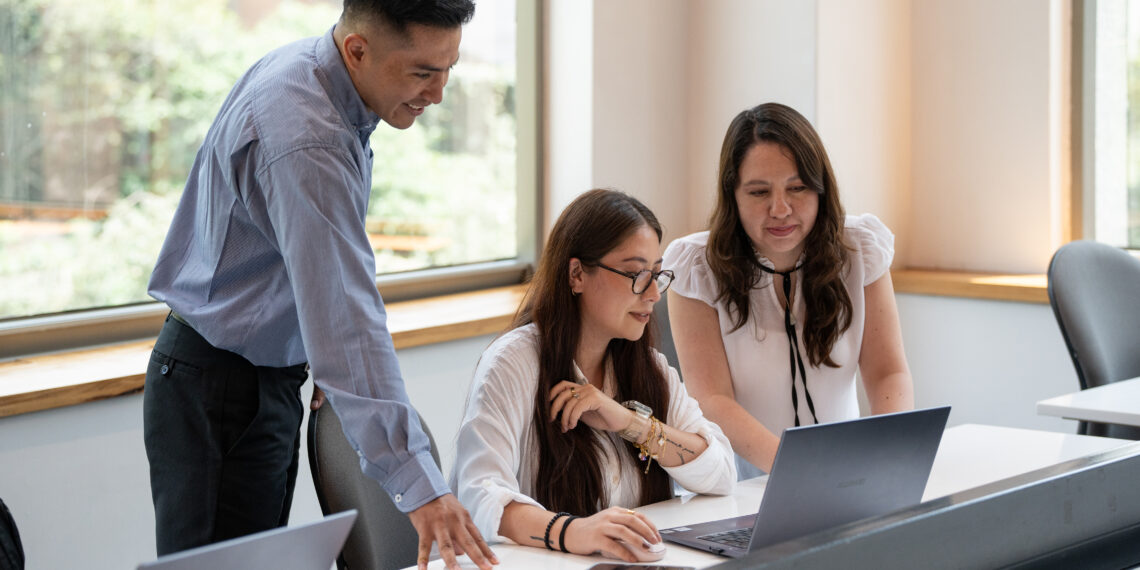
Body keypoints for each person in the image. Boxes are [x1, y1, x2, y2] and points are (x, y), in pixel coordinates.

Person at [142, 2, 496, 568]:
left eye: (448, 69)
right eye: (423, 73)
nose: (438, 94)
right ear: (358, 50)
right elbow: (346, 320)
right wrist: (422, 487)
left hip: (249, 377)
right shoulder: (309, 137)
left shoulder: (309, 71)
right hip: (222, 387)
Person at [451, 189, 736, 562]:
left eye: (656, 274)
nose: (653, 293)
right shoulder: (514, 362)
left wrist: (629, 422)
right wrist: (575, 530)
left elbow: (720, 474)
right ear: (576, 275)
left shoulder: (649, 366)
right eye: (635, 274)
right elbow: (480, 495)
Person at [663, 102, 915, 479]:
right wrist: (799, 473)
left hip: (849, 476)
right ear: (733, 195)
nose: (780, 209)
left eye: (797, 188)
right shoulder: (694, 266)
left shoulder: (860, 248)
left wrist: (888, 454)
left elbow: (887, 372)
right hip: (740, 486)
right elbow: (711, 400)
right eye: (759, 192)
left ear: (820, 189)